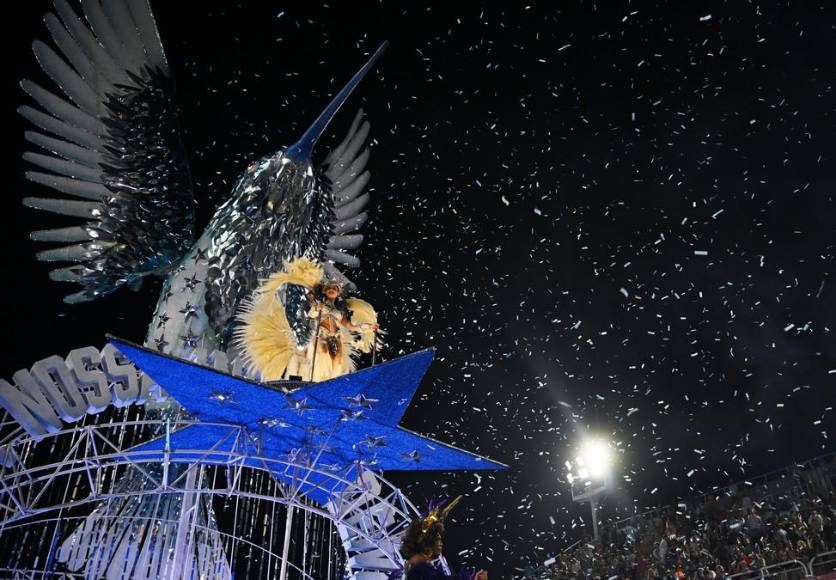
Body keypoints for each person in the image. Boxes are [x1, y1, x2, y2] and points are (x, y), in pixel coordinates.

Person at [235, 257, 380, 381]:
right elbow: (311, 315)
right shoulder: (317, 304)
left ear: (338, 293)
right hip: (320, 337)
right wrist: (317, 308)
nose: (332, 289)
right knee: (317, 359)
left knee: (338, 361)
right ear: (324, 290)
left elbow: (350, 327)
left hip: (335, 337)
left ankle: (332, 386)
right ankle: (311, 381)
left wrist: (367, 327)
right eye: (329, 287)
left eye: (335, 288)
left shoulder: (340, 311)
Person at [398, 497, 488, 580]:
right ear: (426, 542)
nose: (441, 544)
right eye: (438, 539)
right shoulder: (420, 573)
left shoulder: (412, 571)